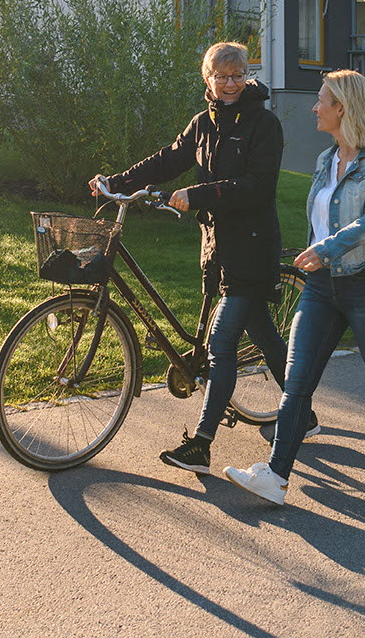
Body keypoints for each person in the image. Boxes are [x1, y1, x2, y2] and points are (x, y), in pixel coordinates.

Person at [92, 41, 296, 475]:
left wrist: (197, 194)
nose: (230, 84)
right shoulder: (203, 123)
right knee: (261, 332)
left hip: (252, 245)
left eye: (237, 75)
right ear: (207, 79)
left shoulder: (265, 124)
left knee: (222, 345)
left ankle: (200, 446)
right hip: (216, 244)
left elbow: (258, 185)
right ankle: (303, 412)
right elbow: (169, 158)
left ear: (247, 75)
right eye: (221, 77)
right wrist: (117, 180)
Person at [224, 68, 365, 505]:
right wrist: (316, 253)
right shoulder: (325, 159)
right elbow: (319, 217)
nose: (314, 108)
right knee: (296, 382)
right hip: (319, 288)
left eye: (321, 101)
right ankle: (275, 477)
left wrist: (326, 248)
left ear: (343, 109)